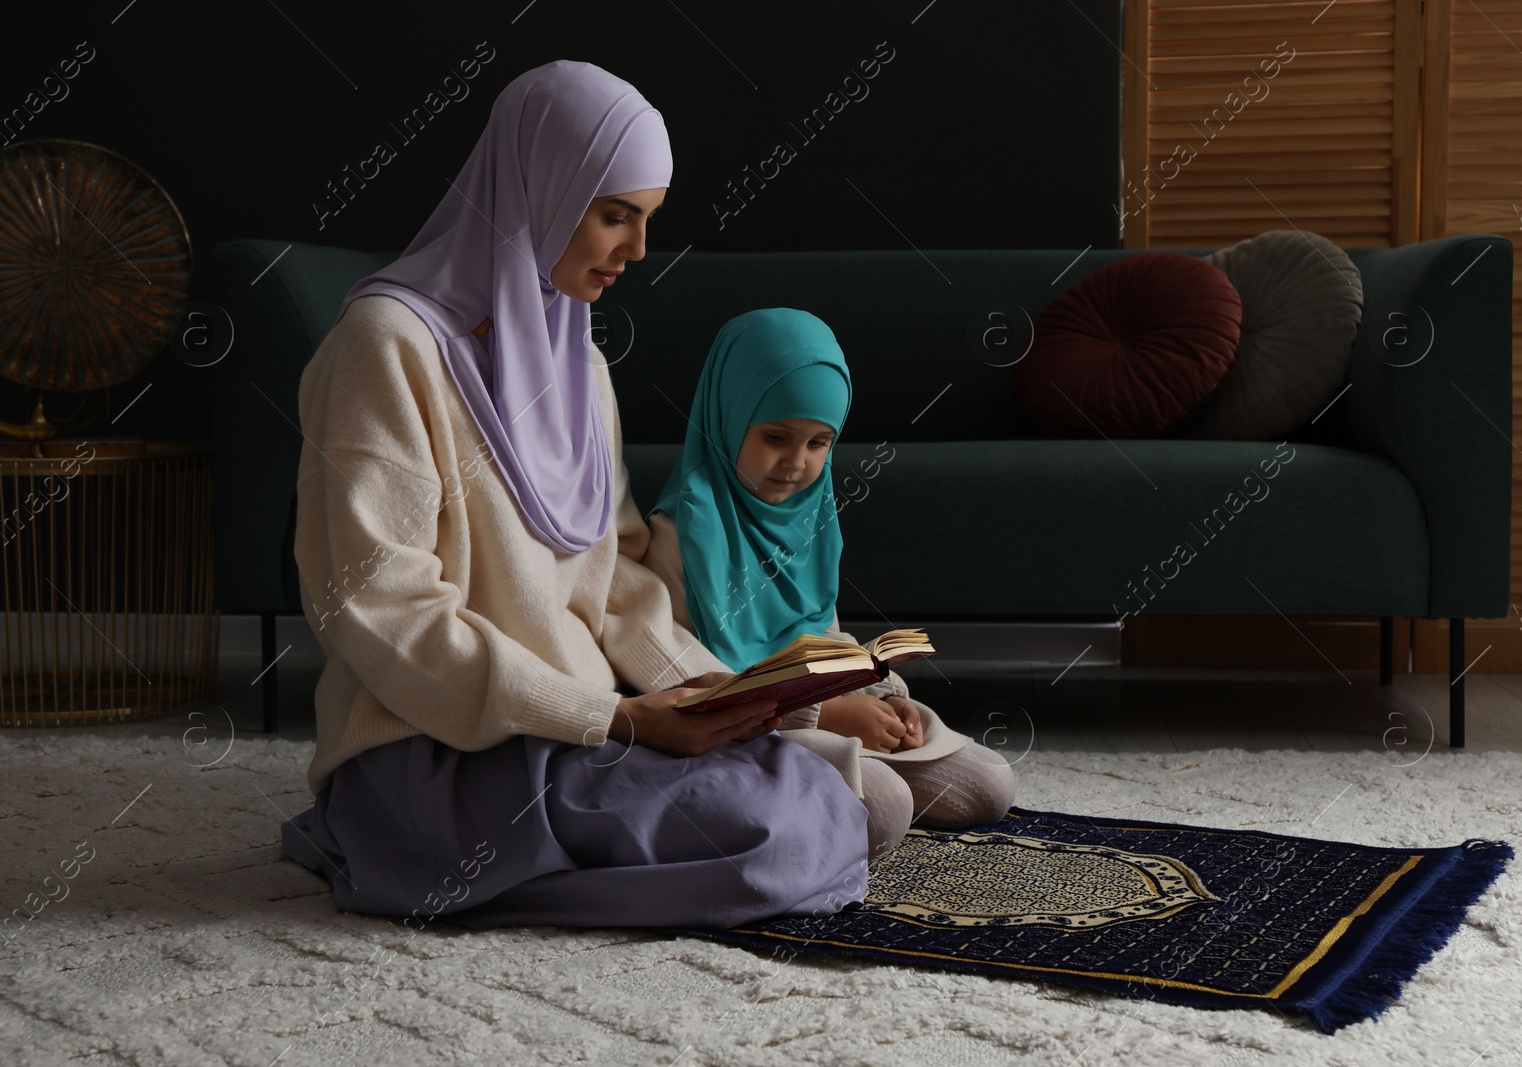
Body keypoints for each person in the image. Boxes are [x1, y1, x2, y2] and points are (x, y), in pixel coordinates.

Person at [279, 62, 870, 931]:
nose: (635, 251)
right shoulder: (385, 346)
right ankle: (405, 854)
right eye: (614, 215)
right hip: (436, 750)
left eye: (646, 220)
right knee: (786, 825)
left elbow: (616, 581)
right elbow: (379, 608)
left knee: (830, 793)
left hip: (582, 727)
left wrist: (720, 695)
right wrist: (612, 719)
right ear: (535, 187)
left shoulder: (578, 362)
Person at [642, 308, 1017, 861]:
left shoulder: (809, 520)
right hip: (741, 735)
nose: (796, 462)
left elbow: (826, 643)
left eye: (819, 443)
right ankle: (828, 787)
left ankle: (854, 768)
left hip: (827, 714)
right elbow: (688, 685)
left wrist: (884, 702)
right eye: (776, 436)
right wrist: (828, 716)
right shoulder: (679, 535)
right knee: (884, 806)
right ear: (727, 415)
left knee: (991, 785)